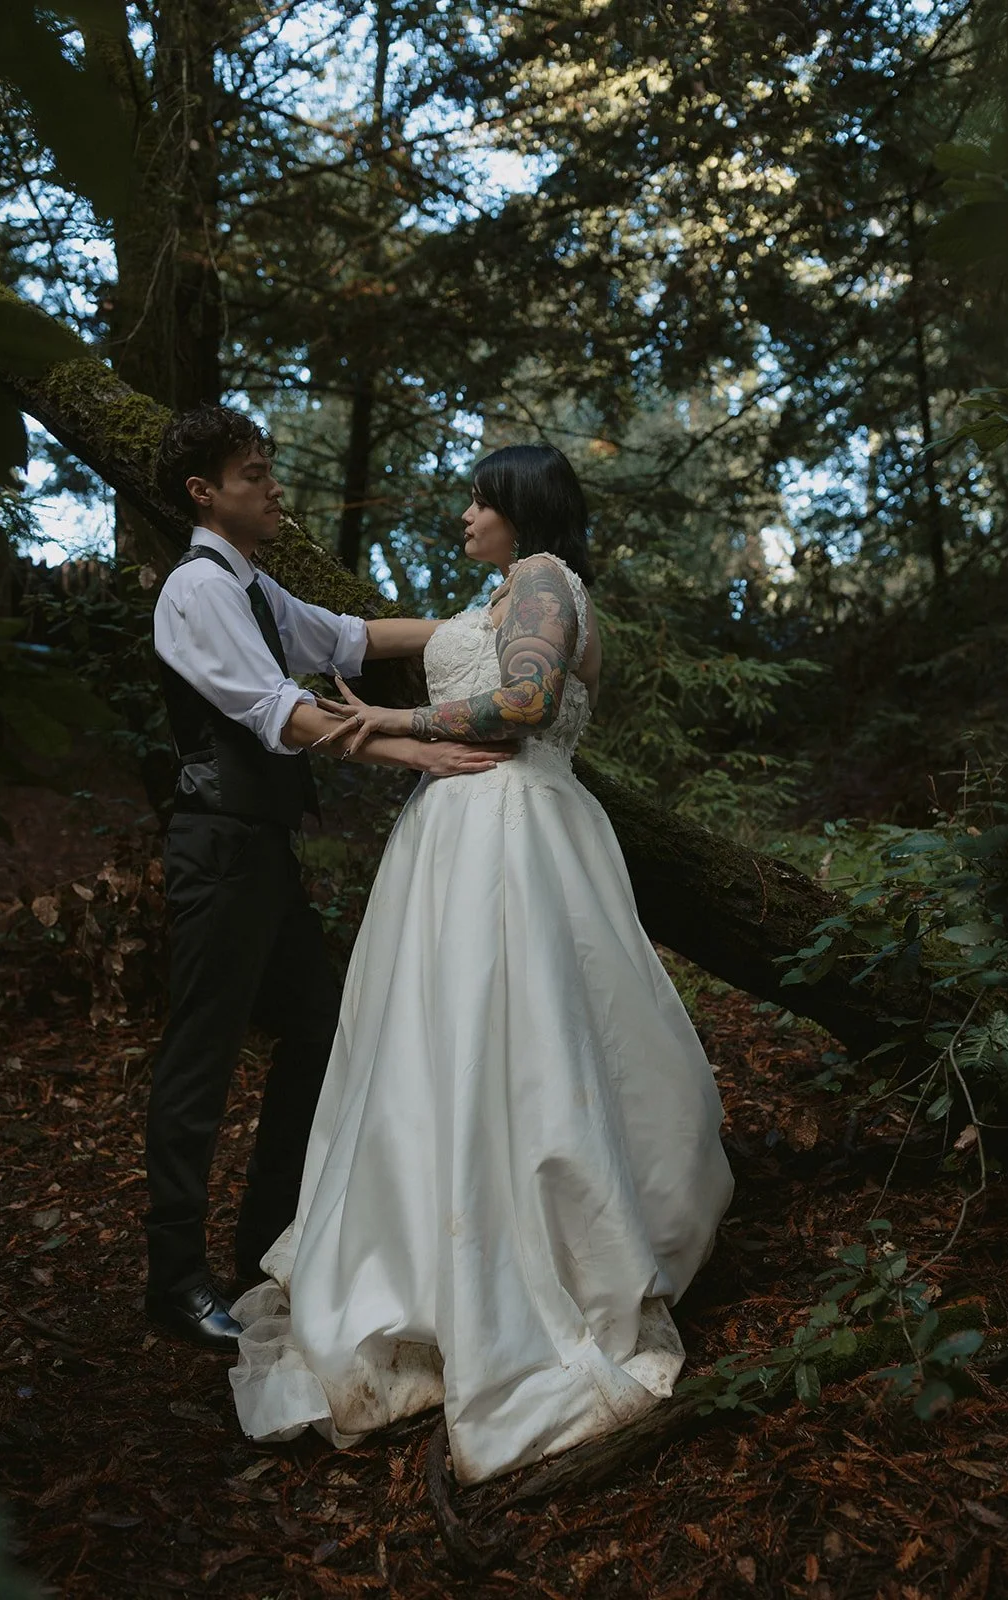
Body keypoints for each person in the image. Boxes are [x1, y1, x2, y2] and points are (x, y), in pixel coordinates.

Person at [230, 443, 734, 1482]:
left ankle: (531, 1267)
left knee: (524, 1035)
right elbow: (359, 633)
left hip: (510, 829)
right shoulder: (497, 592)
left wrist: (394, 719)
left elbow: (523, 702)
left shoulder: (547, 581)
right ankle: (433, 1255)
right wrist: (226, 567)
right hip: (458, 838)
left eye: (477, 499)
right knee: (438, 1047)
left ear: (520, 508)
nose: (462, 514)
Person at [146, 405, 513, 1352]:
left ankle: (265, 1241)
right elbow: (282, 712)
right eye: (254, 473)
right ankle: (174, 1279)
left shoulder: (256, 588)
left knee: (315, 1025)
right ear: (205, 493)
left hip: (259, 848)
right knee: (204, 1054)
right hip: (216, 847)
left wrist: (487, 623)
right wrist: (412, 754)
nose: (274, 489)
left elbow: (351, 639)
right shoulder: (198, 590)